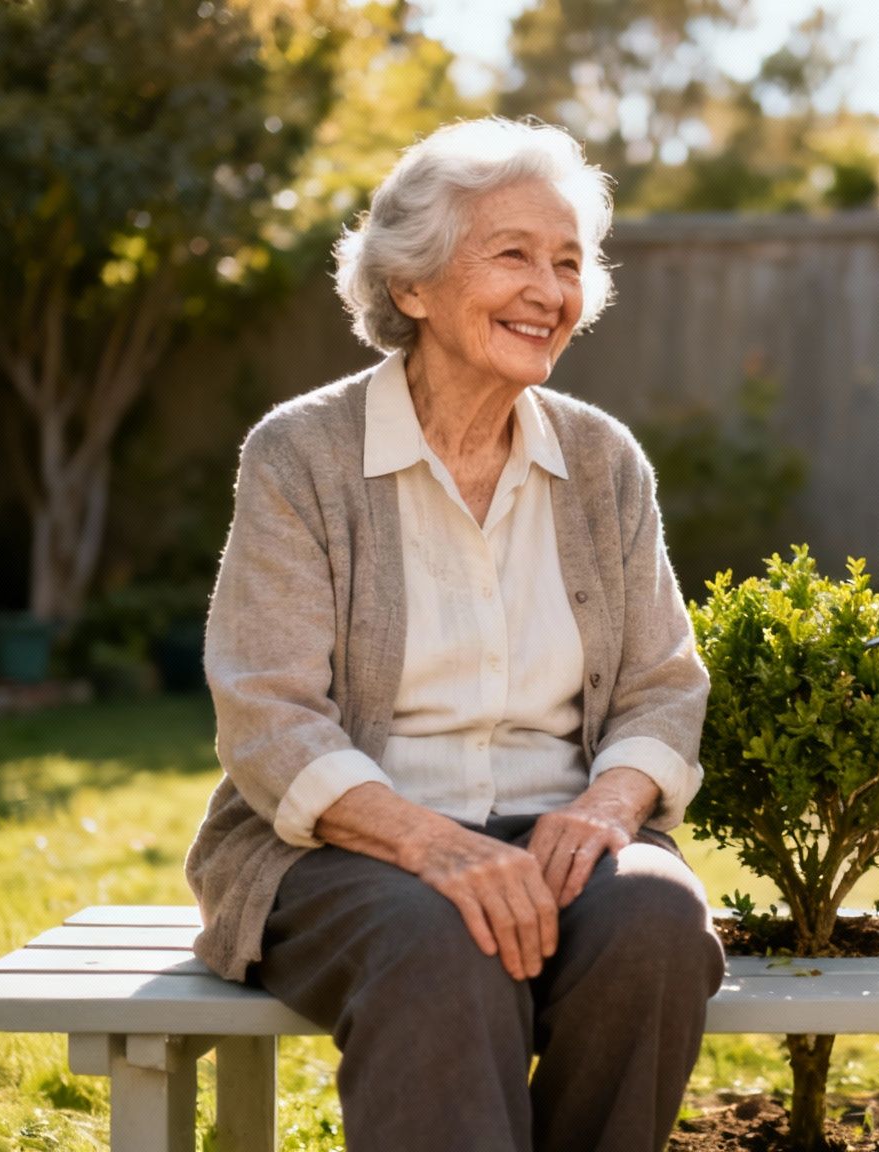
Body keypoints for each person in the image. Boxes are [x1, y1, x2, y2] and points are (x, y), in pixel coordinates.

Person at [183, 117, 724, 1152]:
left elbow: (661, 684)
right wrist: (436, 846)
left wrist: (610, 806)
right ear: (411, 286)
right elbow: (267, 713)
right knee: (439, 939)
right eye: (512, 253)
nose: (549, 290)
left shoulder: (602, 461)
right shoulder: (303, 455)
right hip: (347, 849)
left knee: (654, 921)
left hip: (562, 837)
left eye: (567, 263)